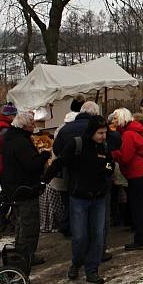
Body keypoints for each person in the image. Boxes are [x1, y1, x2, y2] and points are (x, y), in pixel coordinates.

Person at [43, 115, 113, 284]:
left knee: (97, 236)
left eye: (105, 133)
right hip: (79, 198)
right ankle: (76, 263)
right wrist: (44, 179)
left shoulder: (104, 146)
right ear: (91, 132)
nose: (103, 136)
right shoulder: (77, 144)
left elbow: (111, 164)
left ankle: (92, 269)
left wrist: (106, 171)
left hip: (98, 197)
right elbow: (59, 163)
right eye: (100, 133)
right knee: (80, 236)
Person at [1, 111, 51, 265]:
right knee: (29, 224)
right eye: (32, 123)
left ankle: (20, 253)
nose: (34, 126)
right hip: (24, 189)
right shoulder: (21, 142)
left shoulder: (10, 138)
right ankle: (27, 256)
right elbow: (31, 165)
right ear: (24, 125)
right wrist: (44, 156)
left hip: (14, 188)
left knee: (21, 224)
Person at [51, 101, 102, 236]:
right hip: (94, 173)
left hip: (71, 172)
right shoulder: (96, 128)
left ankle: (71, 229)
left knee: (72, 202)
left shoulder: (65, 129)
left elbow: (56, 150)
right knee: (93, 207)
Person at [112, 107, 143, 250]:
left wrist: (114, 153)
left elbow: (125, 157)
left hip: (138, 174)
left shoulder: (128, 135)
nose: (113, 121)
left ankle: (141, 239)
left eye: (115, 118)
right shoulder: (137, 130)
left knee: (138, 208)